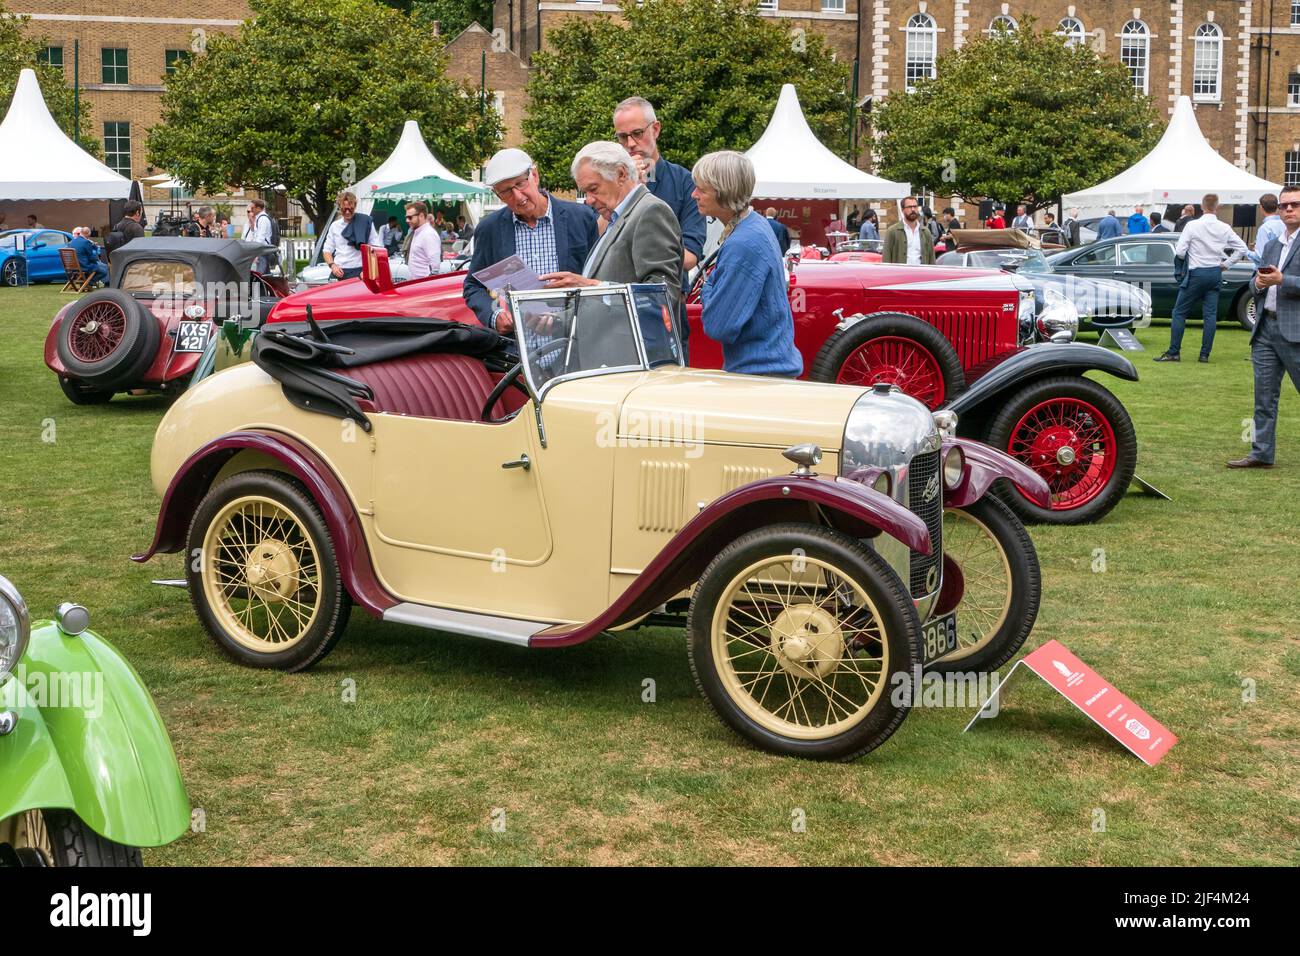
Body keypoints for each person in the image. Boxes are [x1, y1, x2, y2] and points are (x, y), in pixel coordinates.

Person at [684, 151, 802, 378]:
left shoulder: (743, 243)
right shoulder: (755, 225)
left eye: (702, 189)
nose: (694, 194)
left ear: (722, 192)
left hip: (758, 375)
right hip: (769, 368)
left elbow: (718, 326)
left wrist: (708, 286)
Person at [462, 147, 599, 333]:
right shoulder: (489, 229)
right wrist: (494, 316)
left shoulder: (582, 218)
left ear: (535, 175)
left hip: (574, 339)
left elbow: (598, 278)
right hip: (517, 346)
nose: (518, 197)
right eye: (506, 192)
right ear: (497, 195)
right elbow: (473, 286)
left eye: (520, 184)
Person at [612, 96, 707, 348]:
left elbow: (690, 257)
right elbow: (598, 241)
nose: (630, 144)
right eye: (622, 137)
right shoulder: (611, 183)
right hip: (615, 311)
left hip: (667, 309)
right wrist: (627, 188)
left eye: (637, 133)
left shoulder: (684, 182)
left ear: (655, 129)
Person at [538, 141, 682, 304]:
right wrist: (555, 321)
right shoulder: (616, 218)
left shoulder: (650, 212)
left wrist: (591, 287)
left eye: (593, 189)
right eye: (584, 192)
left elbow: (662, 295)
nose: (589, 200)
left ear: (621, 174)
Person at [1230, 184, 1300, 468]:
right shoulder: (1272, 243)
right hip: (1265, 330)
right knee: (1263, 397)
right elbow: (1256, 281)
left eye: (1294, 204)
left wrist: (1284, 280)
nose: (1288, 210)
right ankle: (1261, 454)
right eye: (1284, 206)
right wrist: (1257, 283)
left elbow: (1281, 280)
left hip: (1295, 331)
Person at [1156, 193, 1249, 363]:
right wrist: (1226, 264)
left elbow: (1180, 252)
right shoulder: (1224, 227)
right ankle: (1204, 355)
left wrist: (1185, 262)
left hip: (1197, 273)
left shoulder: (1192, 226)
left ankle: (1173, 352)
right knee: (1210, 315)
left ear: (1202, 206)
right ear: (1218, 207)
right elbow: (1242, 249)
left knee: (1179, 312)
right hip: (1215, 272)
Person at [320, 191, 378, 281]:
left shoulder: (365, 222)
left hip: (361, 271)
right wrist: (333, 266)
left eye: (350, 209)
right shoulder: (335, 226)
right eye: (344, 209)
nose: (347, 212)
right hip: (339, 271)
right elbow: (327, 250)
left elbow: (375, 248)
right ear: (339, 207)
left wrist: (368, 270)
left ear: (355, 206)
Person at [883, 196, 935, 265]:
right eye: (909, 207)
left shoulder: (925, 232)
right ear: (902, 210)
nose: (913, 209)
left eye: (915, 206)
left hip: (921, 274)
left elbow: (931, 258)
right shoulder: (892, 231)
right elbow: (886, 258)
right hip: (900, 274)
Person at [405, 202, 439, 279]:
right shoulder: (418, 232)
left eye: (410, 217)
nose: (407, 220)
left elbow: (434, 268)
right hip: (416, 283)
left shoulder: (428, 234)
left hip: (423, 284)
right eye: (406, 217)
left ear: (421, 216)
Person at [1249, 193, 1283, 266]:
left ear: (1261, 207)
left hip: (1266, 270)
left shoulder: (1265, 228)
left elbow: (1260, 257)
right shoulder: (1285, 224)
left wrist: (1245, 251)